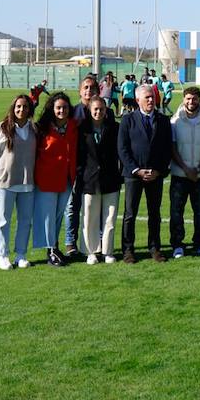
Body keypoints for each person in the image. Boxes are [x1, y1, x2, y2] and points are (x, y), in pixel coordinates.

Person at [117, 81, 174, 263]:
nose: (151, 100)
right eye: (147, 97)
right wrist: (136, 170)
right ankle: (128, 250)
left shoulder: (163, 120)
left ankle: (155, 248)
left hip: (155, 175)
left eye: (152, 97)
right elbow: (122, 148)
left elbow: (167, 149)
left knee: (154, 213)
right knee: (130, 214)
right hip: (133, 175)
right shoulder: (127, 120)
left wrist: (159, 171)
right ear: (138, 99)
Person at [0, 94, 38, 270]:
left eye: (25, 107)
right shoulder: (1, 128)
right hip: (5, 182)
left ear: (30, 110)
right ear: (13, 108)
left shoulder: (34, 130)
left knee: (25, 220)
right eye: (18, 107)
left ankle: (21, 254)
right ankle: (3, 255)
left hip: (27, 182)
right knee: (3, 220)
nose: (22, 110)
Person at [64, 75, 109, 258]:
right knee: (72, 205)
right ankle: (70, 242)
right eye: (86, 88)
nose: (89, 91)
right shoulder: (72, 112)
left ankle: (96, 242)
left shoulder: (105, 112)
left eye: (92, 88)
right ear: (80, 90)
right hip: (76, 167)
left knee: (96, 206)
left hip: (95, 169)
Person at [32, 92, 77, 267]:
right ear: (52, 109)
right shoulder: (42, 128)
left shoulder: (73, 126)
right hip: (47, 178)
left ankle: (54, 247)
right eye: (58, 107)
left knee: (58, 216)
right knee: (48, 217)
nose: (62, 111)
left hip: (66, 178)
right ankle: (51, 250)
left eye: (65, 107)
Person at [170, 86, 200, 258]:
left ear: (199, 100)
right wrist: (186, 168)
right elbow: (172, 148)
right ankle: (177, 245)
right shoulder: (175, 121)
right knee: (176, 212)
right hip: (180, 175)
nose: (191, 102)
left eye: (194, 99)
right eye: (188, 98)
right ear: (183, 99)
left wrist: (198, 168)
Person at [76, 97, 122, 264]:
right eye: (95, 109)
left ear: (106, 110)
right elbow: (78, 156)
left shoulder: (114, 128)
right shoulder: (82, 129)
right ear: (89, 110)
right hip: (89, 179)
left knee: (109, 217)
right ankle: (91, 252)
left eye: (101, 109)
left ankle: (107, 251)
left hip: (111, 179)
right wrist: (81, 174)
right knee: (89, 217)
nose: (98, 112)